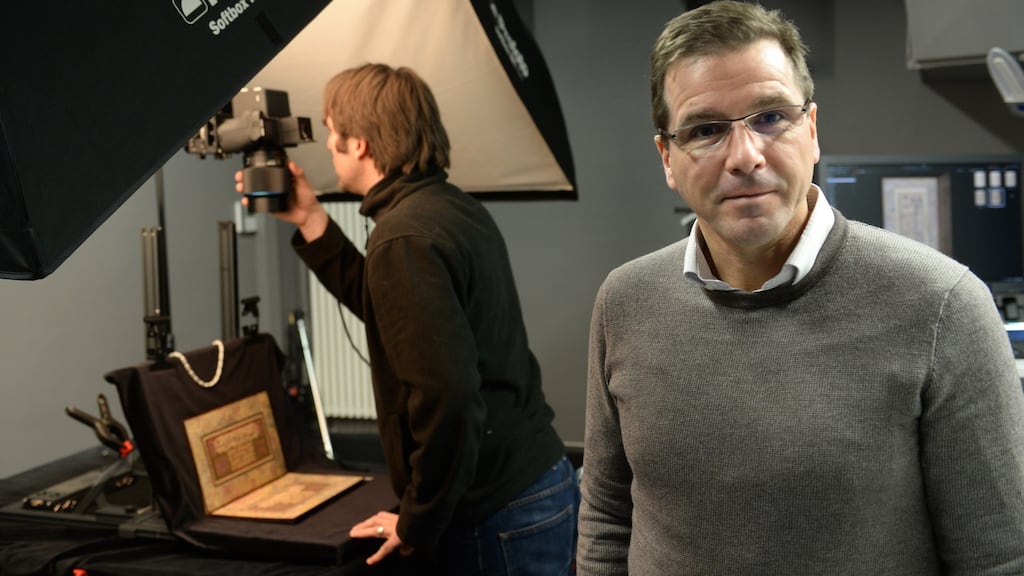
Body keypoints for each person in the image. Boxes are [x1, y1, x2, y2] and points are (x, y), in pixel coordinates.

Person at [577, 2, 1024, 575]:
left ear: (811, 130)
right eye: (706, 130)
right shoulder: (624, 301)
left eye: (770, 117)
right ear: (668, 157)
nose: (745, 156)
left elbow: (997, 561)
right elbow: (608, 524)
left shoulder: (942, 306)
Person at [238, 63, 578, 575]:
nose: (327, 144)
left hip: (496, 511)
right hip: (536, 484)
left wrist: (417, 522)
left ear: (360, 144)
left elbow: (450, 399)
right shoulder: (449, 208)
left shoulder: (404, 236)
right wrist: (311, 219)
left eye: (332, 130)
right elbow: (394, 314)